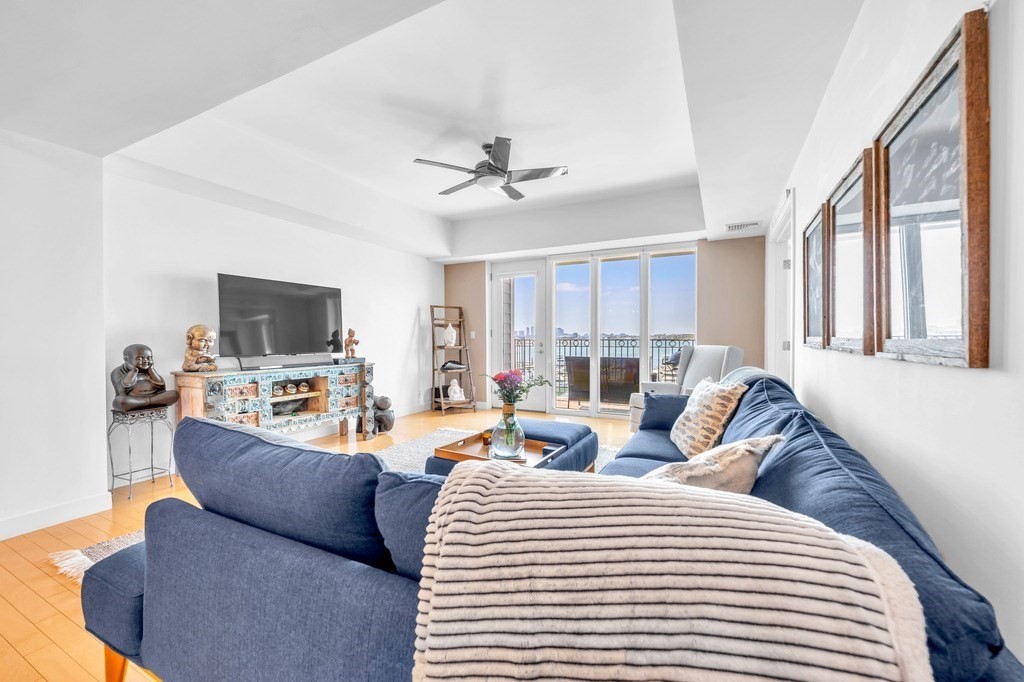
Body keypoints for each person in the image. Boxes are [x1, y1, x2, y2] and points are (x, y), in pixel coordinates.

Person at [111, 344, 179, 411]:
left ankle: (147, 402)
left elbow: (162, 388)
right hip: (133, 400)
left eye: (149, 358)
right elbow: (121, 391)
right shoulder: (117, 371)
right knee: (120, 401)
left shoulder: (148, 369)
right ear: (126, 359)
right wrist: (133, 371)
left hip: (153, 397)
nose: (146, 361)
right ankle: (149, 403)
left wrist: (151, 370)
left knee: (174, 394)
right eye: (140, 358)